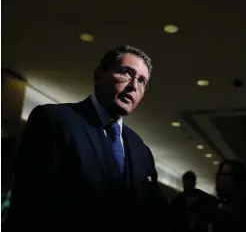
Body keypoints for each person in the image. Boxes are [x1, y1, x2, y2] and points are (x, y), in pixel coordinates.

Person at [5, 45, 167, 231]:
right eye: (126, 73)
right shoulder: (54, 120)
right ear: (99, 74)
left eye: (142, 82)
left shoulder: (141, 150)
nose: (133, 86)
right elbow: (32, 202)